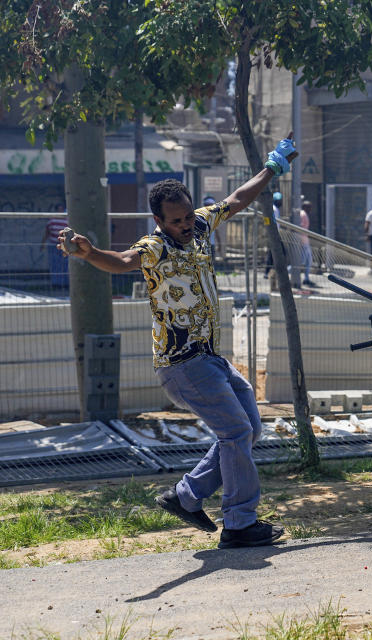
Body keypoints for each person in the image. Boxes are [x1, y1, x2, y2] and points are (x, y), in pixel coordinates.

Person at [59, 136, 298, 549]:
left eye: (187, 216)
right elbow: (120, 262)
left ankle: (185, 497)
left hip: (211, 359)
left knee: (249, 429)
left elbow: (238, 198)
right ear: (158, 221)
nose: (186, 225)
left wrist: (273, 168)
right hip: (182, 364)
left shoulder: (202, 225)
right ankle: (240, 524)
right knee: (237, 432)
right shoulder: (153, 248)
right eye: (176, 221)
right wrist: (89, 253)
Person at [43, 205, 69, 289]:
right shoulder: (52, 221)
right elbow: (47, 232)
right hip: (54, 245)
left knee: (65, 264)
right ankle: (56, 283)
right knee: (55, 264)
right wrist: (43, 243)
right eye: (59, 210)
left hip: (65, 245)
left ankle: (65, 283)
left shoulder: (67, 220)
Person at [298, 200, 315, 287]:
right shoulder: (303, 214)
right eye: (309, 207)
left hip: (305, 240)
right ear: (305, 207)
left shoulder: (304, 214)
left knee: (308, 260)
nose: (310, 209)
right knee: (302, 261)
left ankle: (306, 278)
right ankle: (286, 271)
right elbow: (299, 227)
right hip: (302, 241)